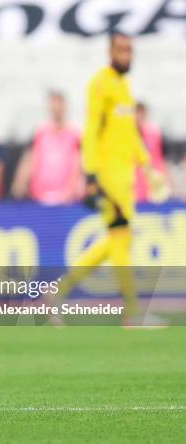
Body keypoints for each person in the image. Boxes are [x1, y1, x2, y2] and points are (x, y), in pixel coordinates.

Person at [51, 33, 167, 326]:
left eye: (130, 50)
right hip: (107, 176)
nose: (127, 55)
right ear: (110, 51)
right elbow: (91, 130)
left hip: (124, 177)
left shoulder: (124, 86)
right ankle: (133, 313)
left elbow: (129, 135)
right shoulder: (101, 83)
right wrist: (90, 175)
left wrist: (148, 167)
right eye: (122, 50)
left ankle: (57, 294)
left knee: (117, 241)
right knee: (119, 239)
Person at [11, 92, 82, 205]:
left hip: (67, 197)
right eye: (53, 104)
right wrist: (20, 183)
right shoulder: (40, 132)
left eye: (59, 104)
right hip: (40, 195)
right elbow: (29, 159)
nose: (56, 108)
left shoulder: (74, 133)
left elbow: (78, 162)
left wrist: (73, 188)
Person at [134, 102, 167, 202]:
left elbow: (160, 158)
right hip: (132, 185)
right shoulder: (125, 135)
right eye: (137, 113)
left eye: (142, 113)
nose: (139, 117)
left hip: (151, 185)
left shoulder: (154, 132)